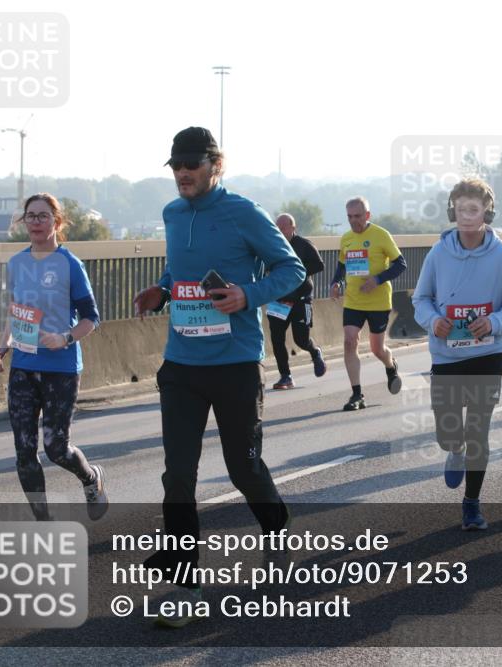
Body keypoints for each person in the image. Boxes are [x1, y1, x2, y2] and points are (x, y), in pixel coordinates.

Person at [132, 127, 304, 627]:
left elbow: (291, 269)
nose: (182, 174)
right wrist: (161, 292)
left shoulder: (242, 212)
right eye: (176, 167)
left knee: (242, 468)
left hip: (235, 363)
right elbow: (178, 271)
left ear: (214, 165)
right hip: (182, 365)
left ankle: (277, 521)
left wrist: (247, 296)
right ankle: (184, 587)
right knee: (178, 474)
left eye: (192, 165)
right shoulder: (171, 213)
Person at [412, 178, 502, 530]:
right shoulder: (439, 252)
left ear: (486, 213)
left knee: (478, 430)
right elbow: (420, 300)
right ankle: (454, 450)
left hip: (487, 355)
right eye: (460, 209)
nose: (466, 216)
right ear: (452, 211)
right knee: (449, 432)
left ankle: (472, 504)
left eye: (473, 209)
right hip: (446, 356)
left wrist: (492, 323)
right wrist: (433, 321)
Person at [0, 193, 106, 522]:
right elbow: (17, 312)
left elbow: (91, 317)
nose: (36, 222)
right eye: (31, 216)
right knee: (25, 452)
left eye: (43, 216)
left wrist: (66, 337)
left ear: (56, 222)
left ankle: (91, 478)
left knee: (56, 449)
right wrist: (4, 344)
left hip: (61, 368)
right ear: (23, 222)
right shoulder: (17, 263)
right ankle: (45, 523)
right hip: (24, 367)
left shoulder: (70, 263)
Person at [330, 197, 407, 410]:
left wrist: (377, 279)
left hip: (378, 302)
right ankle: (357, 395)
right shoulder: (346, 238)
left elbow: (401, 264)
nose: (353, 221)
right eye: (349, 217)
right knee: (349, 341)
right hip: (353, 300)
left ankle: (390, 365)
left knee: (377, 349)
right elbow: (342, 266)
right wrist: (335, 282)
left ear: (367, 215)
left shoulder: (381, 235)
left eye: (357, 216)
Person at [268, 213, 327, 390]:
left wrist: (297, 273)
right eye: (277, 227)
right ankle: (285, 376)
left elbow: (319, 265)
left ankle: (315, 351)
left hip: (301, 299)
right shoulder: (271, 245)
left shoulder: (303, 245)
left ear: (293, 228)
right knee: (276, 338)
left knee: (301, 340)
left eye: (283, 227)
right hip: (279, 300)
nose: (280, 231)